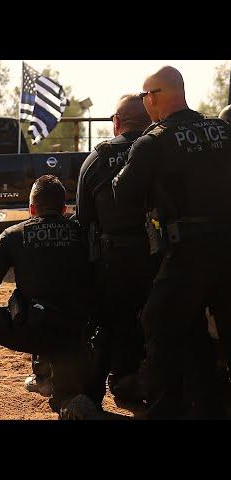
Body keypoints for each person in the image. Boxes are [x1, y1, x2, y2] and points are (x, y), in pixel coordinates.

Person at [113, 66, 231, 419]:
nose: (145, 102)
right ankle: (210, 403)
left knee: (159, 321)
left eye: (146, 95)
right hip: (227, 246)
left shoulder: (155, 141)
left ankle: (166, 407)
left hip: (188, 253)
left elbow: (123, 192)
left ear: (158, 96)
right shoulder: (223, 130)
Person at [0, 175, 95, 419]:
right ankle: (44, 377)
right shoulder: (82, 234)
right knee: (49, 302)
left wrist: (1, 315)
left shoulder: (13, 235)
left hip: (31, 332)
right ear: (64, 209)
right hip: (75, 334)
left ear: (32, 209)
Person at [75, 94, 156, 405]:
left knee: (109, 322)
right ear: (149, 120)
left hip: (113, 261)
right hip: (161, 258)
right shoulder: (161, 150)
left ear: (117, 122)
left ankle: (103, 387)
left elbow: (83, 221)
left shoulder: (97, 159)